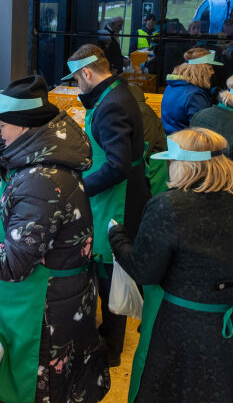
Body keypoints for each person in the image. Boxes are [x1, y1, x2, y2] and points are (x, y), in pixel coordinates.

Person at [0, 75, 109, 403]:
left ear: (24, 128)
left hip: (47, 308)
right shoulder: (46, 163)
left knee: (40, 391)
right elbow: (19, 217)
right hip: (65, 295)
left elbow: (11, 263)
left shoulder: (39, 179)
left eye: (2, 126)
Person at [108, 128, 233, 402]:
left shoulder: (169, 206)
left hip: (191, 327)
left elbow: (145, 271)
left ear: (183, 166)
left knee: (182, 391)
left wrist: (118, 238)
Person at [63, 44, 149, 366]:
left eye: (75, 78)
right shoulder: (115, 92)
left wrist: (80, 188)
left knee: (112, 274)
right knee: (108, 271)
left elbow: (117, 165)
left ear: (86, 72)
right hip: (113, 195)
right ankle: (108, 335)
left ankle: (111, 349)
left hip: (118, 200)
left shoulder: (112, 104)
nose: (76, 84)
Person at [161, 47, 222, 135]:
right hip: (186, 145)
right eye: (210, 68)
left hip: (171, 140)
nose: (213, 72)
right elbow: (202, 131)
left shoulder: (172, 85)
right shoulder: (195, 95)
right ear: (200, 71)